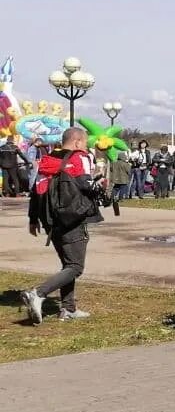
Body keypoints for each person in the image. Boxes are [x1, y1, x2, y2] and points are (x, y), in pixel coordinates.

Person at [21, 127, 102, 323]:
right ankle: (38, 293)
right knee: (75, 266)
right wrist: (101, 183)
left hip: (50, 218)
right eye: (85, 142)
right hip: (72, 217)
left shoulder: (47, 159)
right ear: (77, 142)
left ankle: (68, 308)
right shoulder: (79, 157)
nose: (86, 146)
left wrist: (33, 219)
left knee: (68, 263)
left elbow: (36, 191)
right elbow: (87, 185)